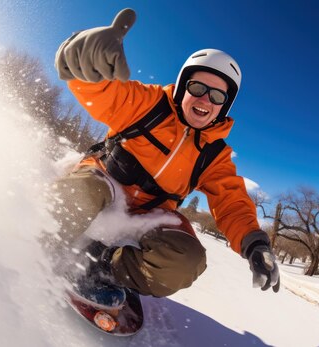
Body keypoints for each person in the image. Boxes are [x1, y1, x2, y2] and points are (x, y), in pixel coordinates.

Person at [53, 8, 280, 299]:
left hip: (148, 215)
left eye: (217, 96)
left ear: (223, 107)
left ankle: (102, 266)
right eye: (198, 88)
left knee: (186, 260)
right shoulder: (148, 105)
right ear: (183, 87)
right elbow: (104, 92)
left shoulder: (214, 155)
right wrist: (85, 60)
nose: (205, 100)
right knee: (81, 192)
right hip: (105, 183)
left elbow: (230, 201)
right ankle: (41, 240)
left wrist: (255, 243)